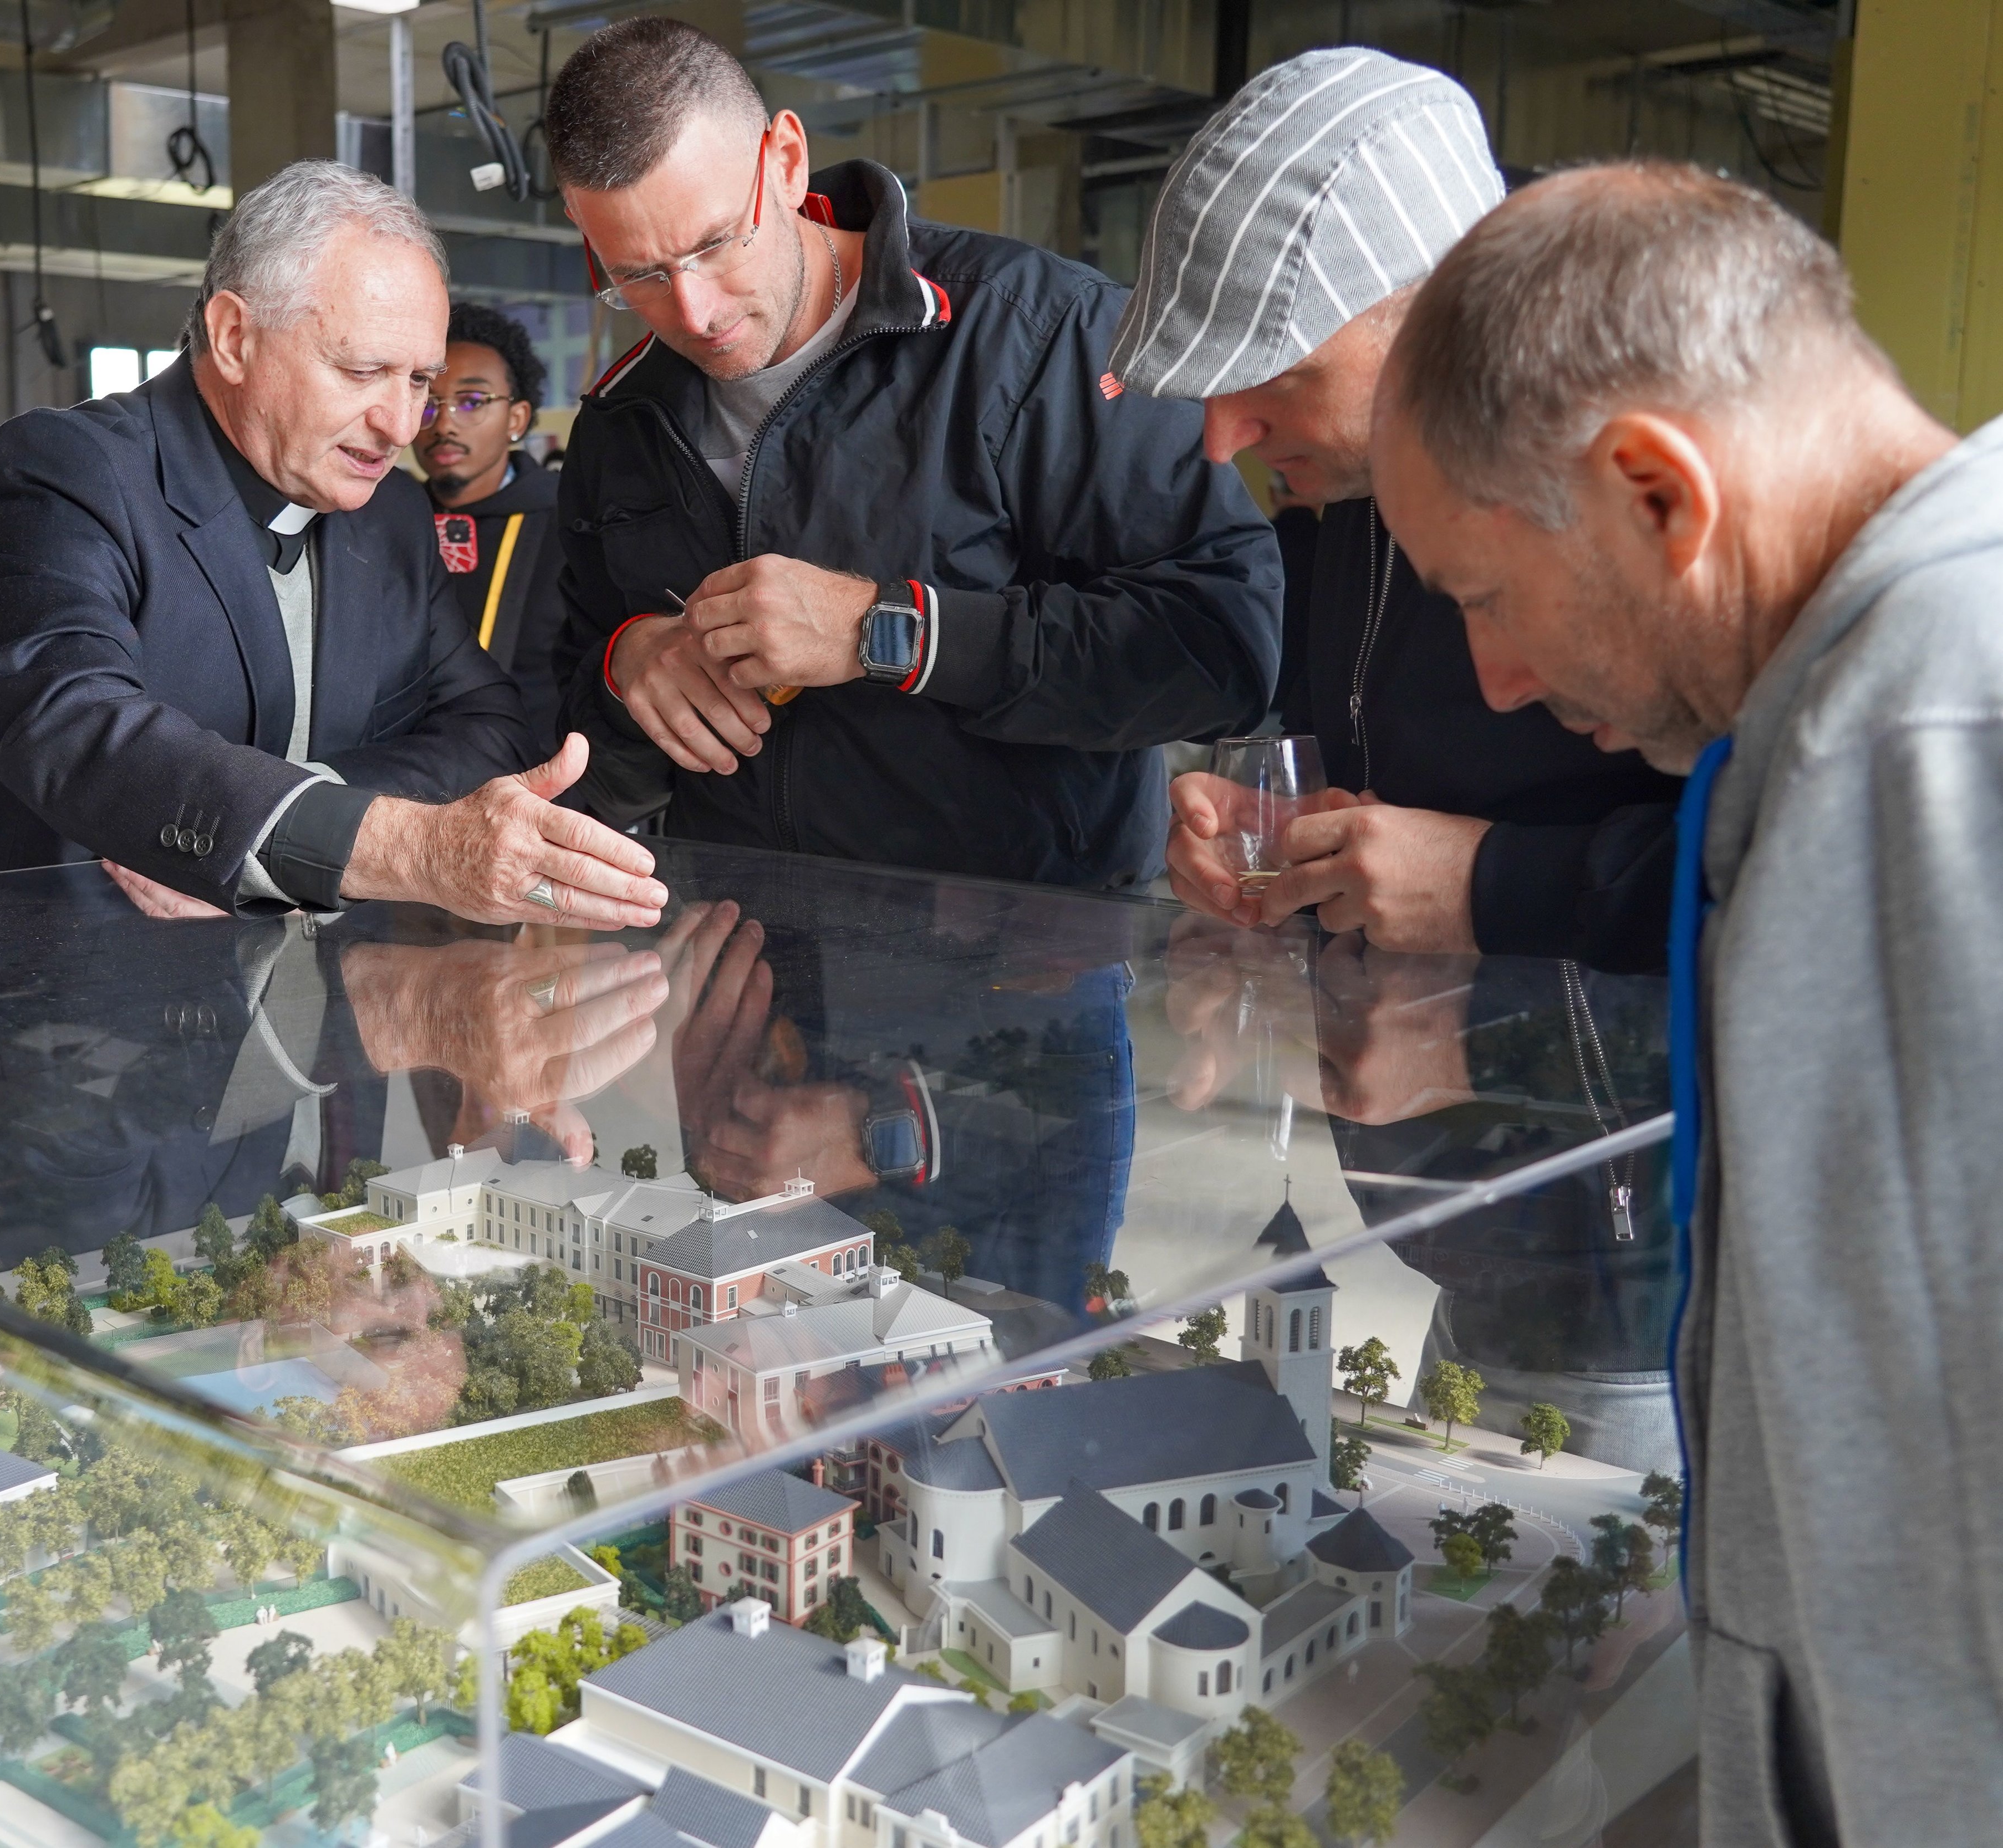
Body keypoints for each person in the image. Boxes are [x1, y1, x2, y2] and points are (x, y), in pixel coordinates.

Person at [1370, 161, 1994, 1843]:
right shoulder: (1846, 719)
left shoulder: (1940, 741)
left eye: (1483, 596)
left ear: (1658, 491)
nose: (1492, 680)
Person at [542, 18, 1278, 890]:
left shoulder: (1041, 334)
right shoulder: (621, 417)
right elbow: (570, 696)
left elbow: (1225, 646)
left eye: (713, 245)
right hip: (734, 962)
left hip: (1019, 977)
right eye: (639, 276)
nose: (694, 311)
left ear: (784, 160)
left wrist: (889, 631)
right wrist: (629, 666)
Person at [0, 161, 665, 932]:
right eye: (363, 371)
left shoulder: (389, 511)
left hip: (285, 1012)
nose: (401, 426)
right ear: (233, 337)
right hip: (36, 1003)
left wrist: (299, 822)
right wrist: (395, 844)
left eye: (420, 380)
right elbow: (76, 722)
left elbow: (487, 723)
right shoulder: (66, 472)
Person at [1118, 49, 1680, 971]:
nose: (1224, 440)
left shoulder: (1622, 473)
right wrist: (1306, 843)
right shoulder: (1345, 481)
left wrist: (1488, 884)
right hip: (1420, 1071)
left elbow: (1789, 872)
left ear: (1442, 311)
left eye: (1283, 376)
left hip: (1612, 1087)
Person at [412, 302, 569, 760]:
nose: (444, 424)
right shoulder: (387, 519)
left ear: (517, 419)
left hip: (534, 781)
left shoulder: (568, 524)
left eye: (472, 402)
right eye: (427, 402)